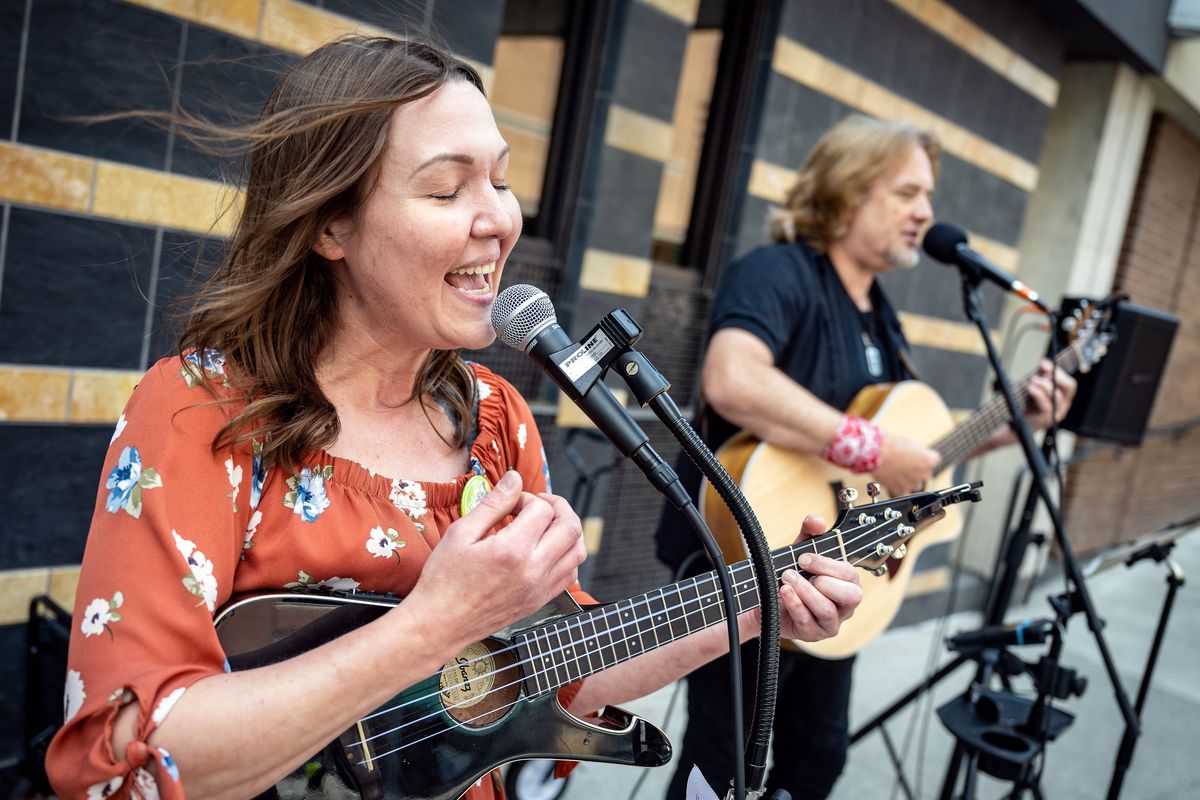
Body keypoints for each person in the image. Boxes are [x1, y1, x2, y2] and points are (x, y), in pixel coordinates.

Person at [45, 37, 863, 800]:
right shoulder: (205, 410)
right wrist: (436, 623)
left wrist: (755, 608)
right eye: (446, 188)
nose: (500, 219)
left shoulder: (496, 419)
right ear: (330, 223)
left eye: (501, 181)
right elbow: (122, 759)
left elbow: (551, 666)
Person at [656, 114, 1077, 800]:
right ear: (850, 192)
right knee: (721, 770)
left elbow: (920, 461)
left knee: (816, 762)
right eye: (908, 192)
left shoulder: (882, 316)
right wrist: (875, 448)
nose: (927, 213)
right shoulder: (779, 272)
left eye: (929, 196)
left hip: (837, 585)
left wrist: (1014, 424)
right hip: (746, 565)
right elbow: (732, 378)